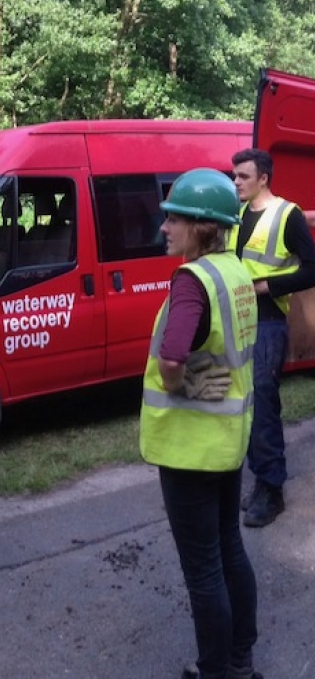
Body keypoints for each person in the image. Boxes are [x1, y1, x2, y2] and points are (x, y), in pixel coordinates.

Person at [139, 168, 260, 679]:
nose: (165, 227)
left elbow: (171, 361)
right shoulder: (233, 270)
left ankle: (216, 671)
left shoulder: (191, 280)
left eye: (176, 219)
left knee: (204, 567)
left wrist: (179, 381)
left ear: (204, 226)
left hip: (190, 448)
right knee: (229, 545)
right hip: (227, 442)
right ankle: (240, 658)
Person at [230, 148, 315, 527]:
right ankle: (261, 478)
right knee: (245, 405)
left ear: (263, 177)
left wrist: (269, 286)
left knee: (262, 404)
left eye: (243, 176)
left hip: (268, 323)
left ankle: (272, 489)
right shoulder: (237, 214)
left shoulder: (287, 214)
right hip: (237, 319)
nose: (236, 182)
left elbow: (312, 270)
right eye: (234, 176)